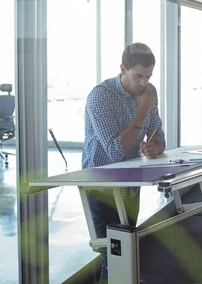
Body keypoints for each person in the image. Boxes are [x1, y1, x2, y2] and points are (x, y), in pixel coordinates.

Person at [82, 42, 166, 283]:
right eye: (138, 76)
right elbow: (116, 151)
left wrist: (154, 146)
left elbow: (158, 134)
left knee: (127, 246)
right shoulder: (100, 96)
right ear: (122, 68)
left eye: (148, 76)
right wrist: (142, 111)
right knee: (113, 253)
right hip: (101, 184)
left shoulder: (149, 91)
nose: (143, 83)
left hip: (130, 182)